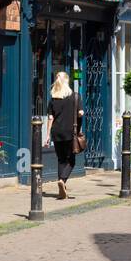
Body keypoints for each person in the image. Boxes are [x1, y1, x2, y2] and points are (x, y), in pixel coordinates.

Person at [48, 70, 82, 200]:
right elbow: (81, 113)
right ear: (67, 81)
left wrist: (47, 136)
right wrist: (79, 113)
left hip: (56, 132)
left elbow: (50, 118)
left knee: (61, 159)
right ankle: (62, 180)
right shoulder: (75, 96)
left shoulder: (53, 99)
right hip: (70, 133)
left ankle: (61, 191)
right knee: (71, 161)